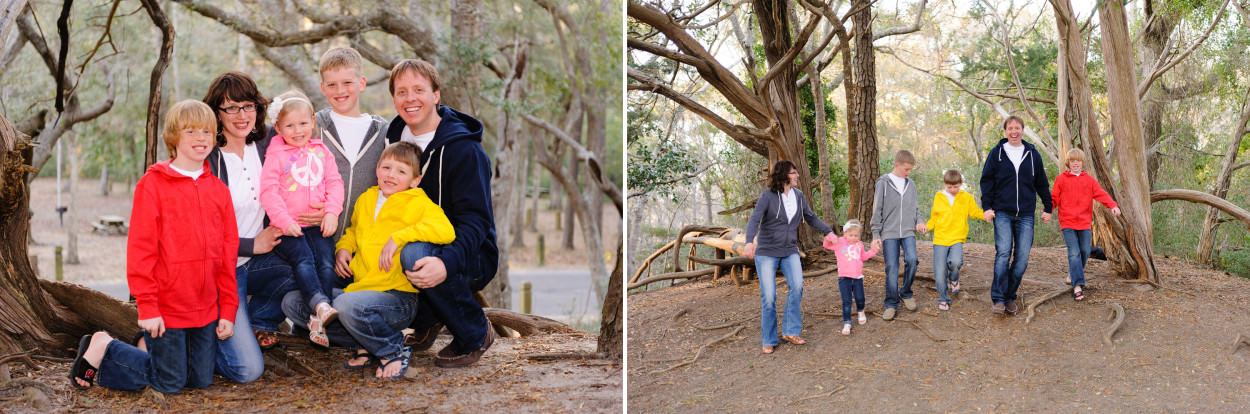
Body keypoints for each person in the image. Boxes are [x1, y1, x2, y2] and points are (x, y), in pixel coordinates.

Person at [69, 100, 238, 393]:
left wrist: (228, 310)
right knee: (169, 383)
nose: (201, 138)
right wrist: (148, 307)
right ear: (173, 138)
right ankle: (105, 346)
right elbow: (141, 250)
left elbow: (227, 253)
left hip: (206, 308)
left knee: (200, 381)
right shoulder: (153, 185)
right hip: (168, 306)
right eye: (191, 131)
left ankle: (145, 346)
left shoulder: (219, 191)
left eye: (207, 132)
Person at [385, 58, 499, 367]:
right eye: (402, 91)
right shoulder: (393, 139)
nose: (410, 99)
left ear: (436, 95)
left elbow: (476, 224)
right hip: (414, 239)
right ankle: (428, 317)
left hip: (468, 253)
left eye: (419, 90)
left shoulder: (464, 150)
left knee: (414, 255)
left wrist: (445, 263)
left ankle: (475, 332)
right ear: (394, 98)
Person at [331, 141, 455, 378]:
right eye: (386, 167)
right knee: (299, 304)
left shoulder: (417, 202)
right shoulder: (366, 199)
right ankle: (366, 342)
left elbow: (446, 230)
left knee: (345, 306)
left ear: (414, 180)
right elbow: (353, 233)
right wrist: (344, 248)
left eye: (401, 171)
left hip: (396, 298)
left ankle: (391, 349)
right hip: (359, 289)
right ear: (377, 168)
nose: (391, 175)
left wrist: (399, 237)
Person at [203, 71, 296, 382]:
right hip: (219, 272)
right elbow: (200, 232)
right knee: (247, 370)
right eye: (230, 108)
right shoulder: (208, 159)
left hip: (256, 265)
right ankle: (183, 347)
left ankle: (260, 320)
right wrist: (249, 245)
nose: (241, 115)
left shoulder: (268, 142)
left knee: (304, 266)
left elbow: (307, 149)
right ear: (216, 113)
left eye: (248, 106)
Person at [260, 89, 345, 347]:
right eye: (290, 125)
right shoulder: (276, 156)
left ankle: (317, 318)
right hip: (288, 228)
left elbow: (335, 182)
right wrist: (284, 221)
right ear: (278, 127)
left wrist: (332, 212)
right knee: (304, 260)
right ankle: (320, 305)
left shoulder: (321, 152)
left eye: (303, 124)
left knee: (326, 263)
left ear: (312, 122)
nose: (298, 131)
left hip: (317, 225)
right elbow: (268, 192)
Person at [744, 160, 834, 354]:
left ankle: (790, 331)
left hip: (789, 250)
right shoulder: (768, 196)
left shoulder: (799, 196)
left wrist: (828, 232)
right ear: (784, 175)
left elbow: (810, 217)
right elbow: (754, 219)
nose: (797, 176)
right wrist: (749, 241)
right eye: (794, 172)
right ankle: (768, 338)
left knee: (798, 285)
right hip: (767, 252)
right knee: (769, 296)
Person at [314, 47, 391, 242]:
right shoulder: (313, 127)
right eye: (332, 85)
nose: (340, 91)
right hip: (318, 240)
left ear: (362, 83)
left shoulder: (382, 131)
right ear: (323, 88)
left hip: (362, 244)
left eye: (347, 82)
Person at [980, 115, 1053, 315]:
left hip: (1026, 214)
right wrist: (987, 207)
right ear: (1005, 131)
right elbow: (986, 182)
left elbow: (1041, 183)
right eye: (1010, 128)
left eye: (1017, 128)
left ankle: (1010, 295)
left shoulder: (1032, 154)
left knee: (1022, 258)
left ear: (1023, 130)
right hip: (1002, 211)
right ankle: (999, 299)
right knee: (1003, 253)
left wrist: (1048, 207)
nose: (1014, 131)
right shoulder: (997, 153)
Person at [1051, 148, 1120, 301]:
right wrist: (1047, 211)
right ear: (1068, 163)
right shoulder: (1061, 179)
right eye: (1073, 161)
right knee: (1074, 252)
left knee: (1084, 250)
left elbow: (1101, 194)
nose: (1075, 164)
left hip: (1084, 223)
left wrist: (1113, 205)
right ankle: (1077, 286)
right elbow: (1053, 198)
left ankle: (1072, 274)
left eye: (1078, 161)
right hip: (1068, 222)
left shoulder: (1089, 180)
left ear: (1083, 162)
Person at [870, 150, 928, 321]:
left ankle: (906, 292)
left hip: (908, 231)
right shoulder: (883, 183)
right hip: (889, 232)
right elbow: (877, 209)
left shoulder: (911, 184)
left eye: (910, 170)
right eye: (906, 169)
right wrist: (875, 233)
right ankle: (891, 303)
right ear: (897, 165)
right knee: (892, 267)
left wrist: (920, 221)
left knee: (912, 260)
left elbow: (915, 209)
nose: (908, 173)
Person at [922, 169, 985, 311]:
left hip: (957, 237)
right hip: (940, 239)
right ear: (945, 184)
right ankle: (943, 298)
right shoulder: (939, 196)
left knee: (956, 262)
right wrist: (927, 227)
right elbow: (934, 217)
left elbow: (974, 212)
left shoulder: (966, 197)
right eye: (949, 187)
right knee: (939, 272)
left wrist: (985, 215)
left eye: (956, 187)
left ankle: (954, 278)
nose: (953, 190)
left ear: (961, 184)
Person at [822, 219, 877, 335]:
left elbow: (864, 257)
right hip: (844, 277)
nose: (853, 237)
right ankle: (847, 322)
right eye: (850, 235)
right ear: (845, 233)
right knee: (846, 301)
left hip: (857, 277)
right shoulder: (839, 242)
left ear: (860, 235)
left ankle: (861, 311)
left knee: (860, 298)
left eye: (856, 235)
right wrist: (829, 237)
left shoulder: (860, 244)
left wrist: (873, 251)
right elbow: (826, 245)